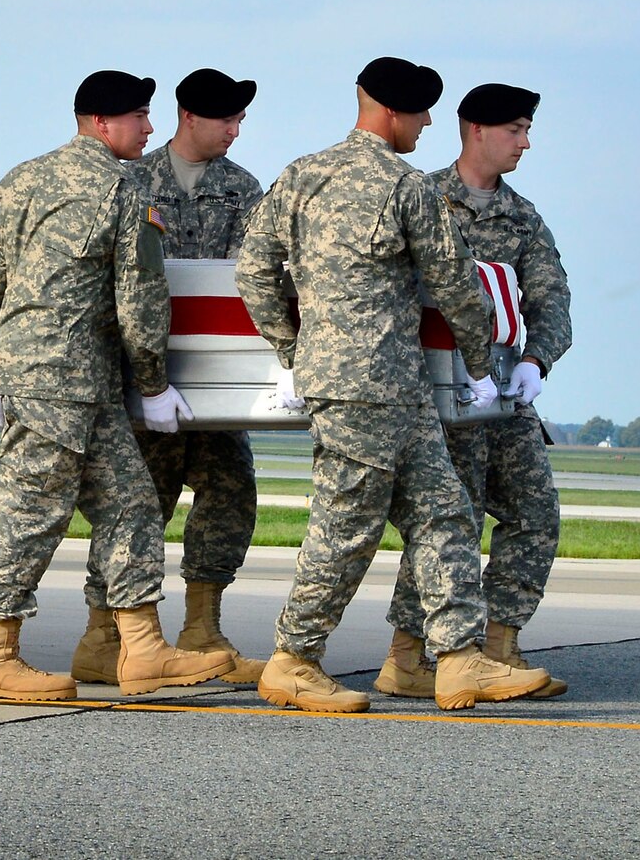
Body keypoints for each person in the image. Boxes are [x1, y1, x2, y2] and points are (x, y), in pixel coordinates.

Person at [233, 57, 552, 712]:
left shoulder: (301, 175)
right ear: (392, 113)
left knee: (445, 514)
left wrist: (297, 350)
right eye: (421, 112)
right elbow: (455, 286)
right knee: (345, 528)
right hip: (370, 389)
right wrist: (484, 367)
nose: (428, 122)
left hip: (384, 387)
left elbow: (253, 273)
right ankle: (293, 658)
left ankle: (461, 660)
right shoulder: (407, 187)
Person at [0, 69, 233, 701]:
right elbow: (141, 300)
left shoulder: (21, 178)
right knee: (31, 514)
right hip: (65, 382)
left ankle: (142, 650)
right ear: (102, 124)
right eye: (139, 115)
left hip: (64, 381)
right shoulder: (122, 188)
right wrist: (156, 384)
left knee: (132, 503)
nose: (150, 127)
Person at [77, 67, 267, 687]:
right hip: (141, 379)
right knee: (137, 508)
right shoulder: (134, 180)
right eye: (226, 120)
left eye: (240, 120)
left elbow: (254, 276)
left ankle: (201, 628)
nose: (236, 132)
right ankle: (105, 634)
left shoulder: (244, 190)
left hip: (217, 383)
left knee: (232, 492)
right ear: (190, 117)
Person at [383, 83, 572, 698]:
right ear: (476, 130)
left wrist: (537, 360)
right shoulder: (423, 199)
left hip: (503, 400)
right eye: (515, 129)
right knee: (446, 524)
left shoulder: (522, 217)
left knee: (534, 513)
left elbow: (552, 299)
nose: (526, 141)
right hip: (438, 396)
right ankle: (408, 656)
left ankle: (500, 646)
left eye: (527, 129)